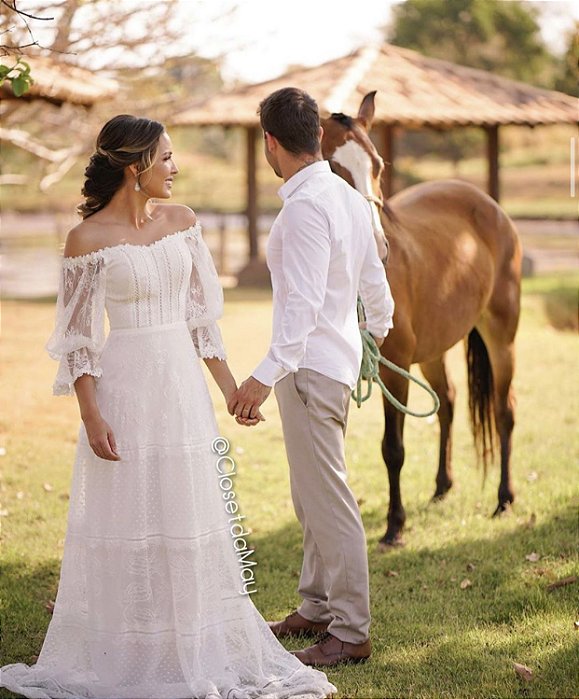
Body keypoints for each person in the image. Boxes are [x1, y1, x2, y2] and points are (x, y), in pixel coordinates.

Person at [0, 114, 336, 699]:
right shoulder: (86, 240)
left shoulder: (183, 223)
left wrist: (232, 388)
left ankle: (193, 639)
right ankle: (131, 646)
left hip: (180, 387)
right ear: (136, 168)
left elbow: (200, 322)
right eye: (167, 159)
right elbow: (78, 342)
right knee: (131, 517)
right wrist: (91, 414)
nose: (176, 169)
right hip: (123, 389)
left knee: (187, 512)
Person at [228, 88, 394, 667]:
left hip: (309, 372)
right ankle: (316, 607)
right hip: (333, 367)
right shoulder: (346, 197)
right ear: (319, 136)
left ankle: (350, 630)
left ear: (270, 144)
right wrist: (376, 329)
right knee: (312, 496)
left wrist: (260, 377)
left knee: (328, 499)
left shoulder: (304, 208)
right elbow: (375, 276)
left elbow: (297, 309)